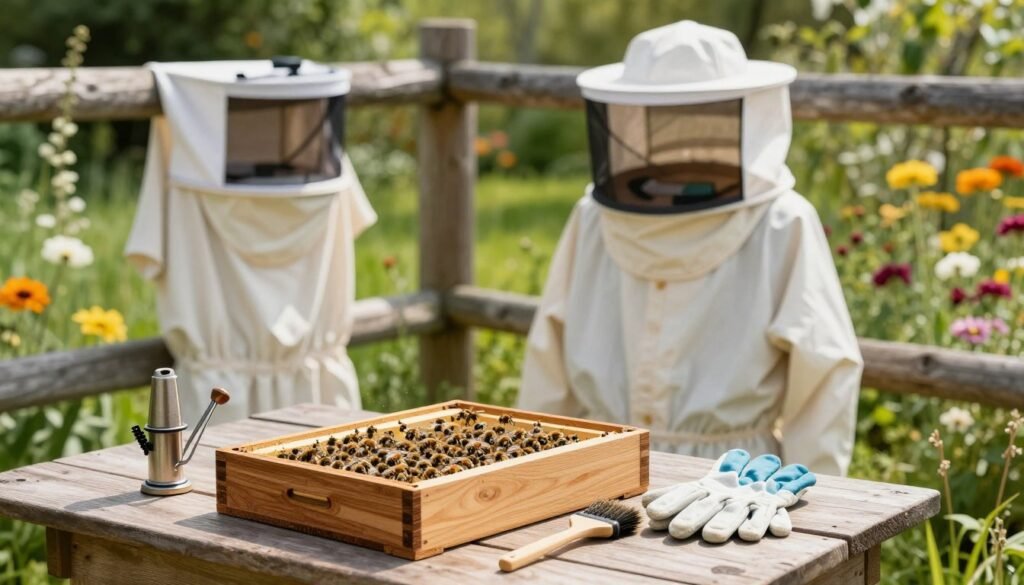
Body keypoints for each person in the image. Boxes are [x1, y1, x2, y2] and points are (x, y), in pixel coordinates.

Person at [518, 21, 862, 476]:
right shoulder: (593, 216)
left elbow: (824, 373)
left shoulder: (781, 222)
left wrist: (802, 502)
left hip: (732, 485)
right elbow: (826, 373)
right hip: (598, 472)